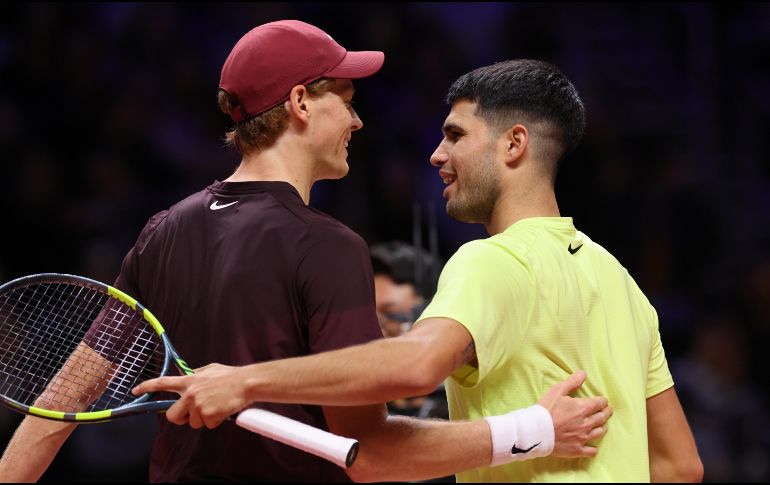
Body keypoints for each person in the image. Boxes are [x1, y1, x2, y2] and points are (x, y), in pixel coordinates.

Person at [0, 24, 610, 483]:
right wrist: (531, 432)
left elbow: (58, 403)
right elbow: (372, 453)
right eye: (345, 99)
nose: (358, 120)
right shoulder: (327, 246)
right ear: (299, 103)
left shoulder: (162, 230)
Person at [133, 59, 701, 482]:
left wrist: (243, 380)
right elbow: (680, 467)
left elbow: (415, 365)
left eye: (455, 136)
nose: (435, 154)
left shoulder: (491, 260)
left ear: (514, 145)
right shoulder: (621, 281)